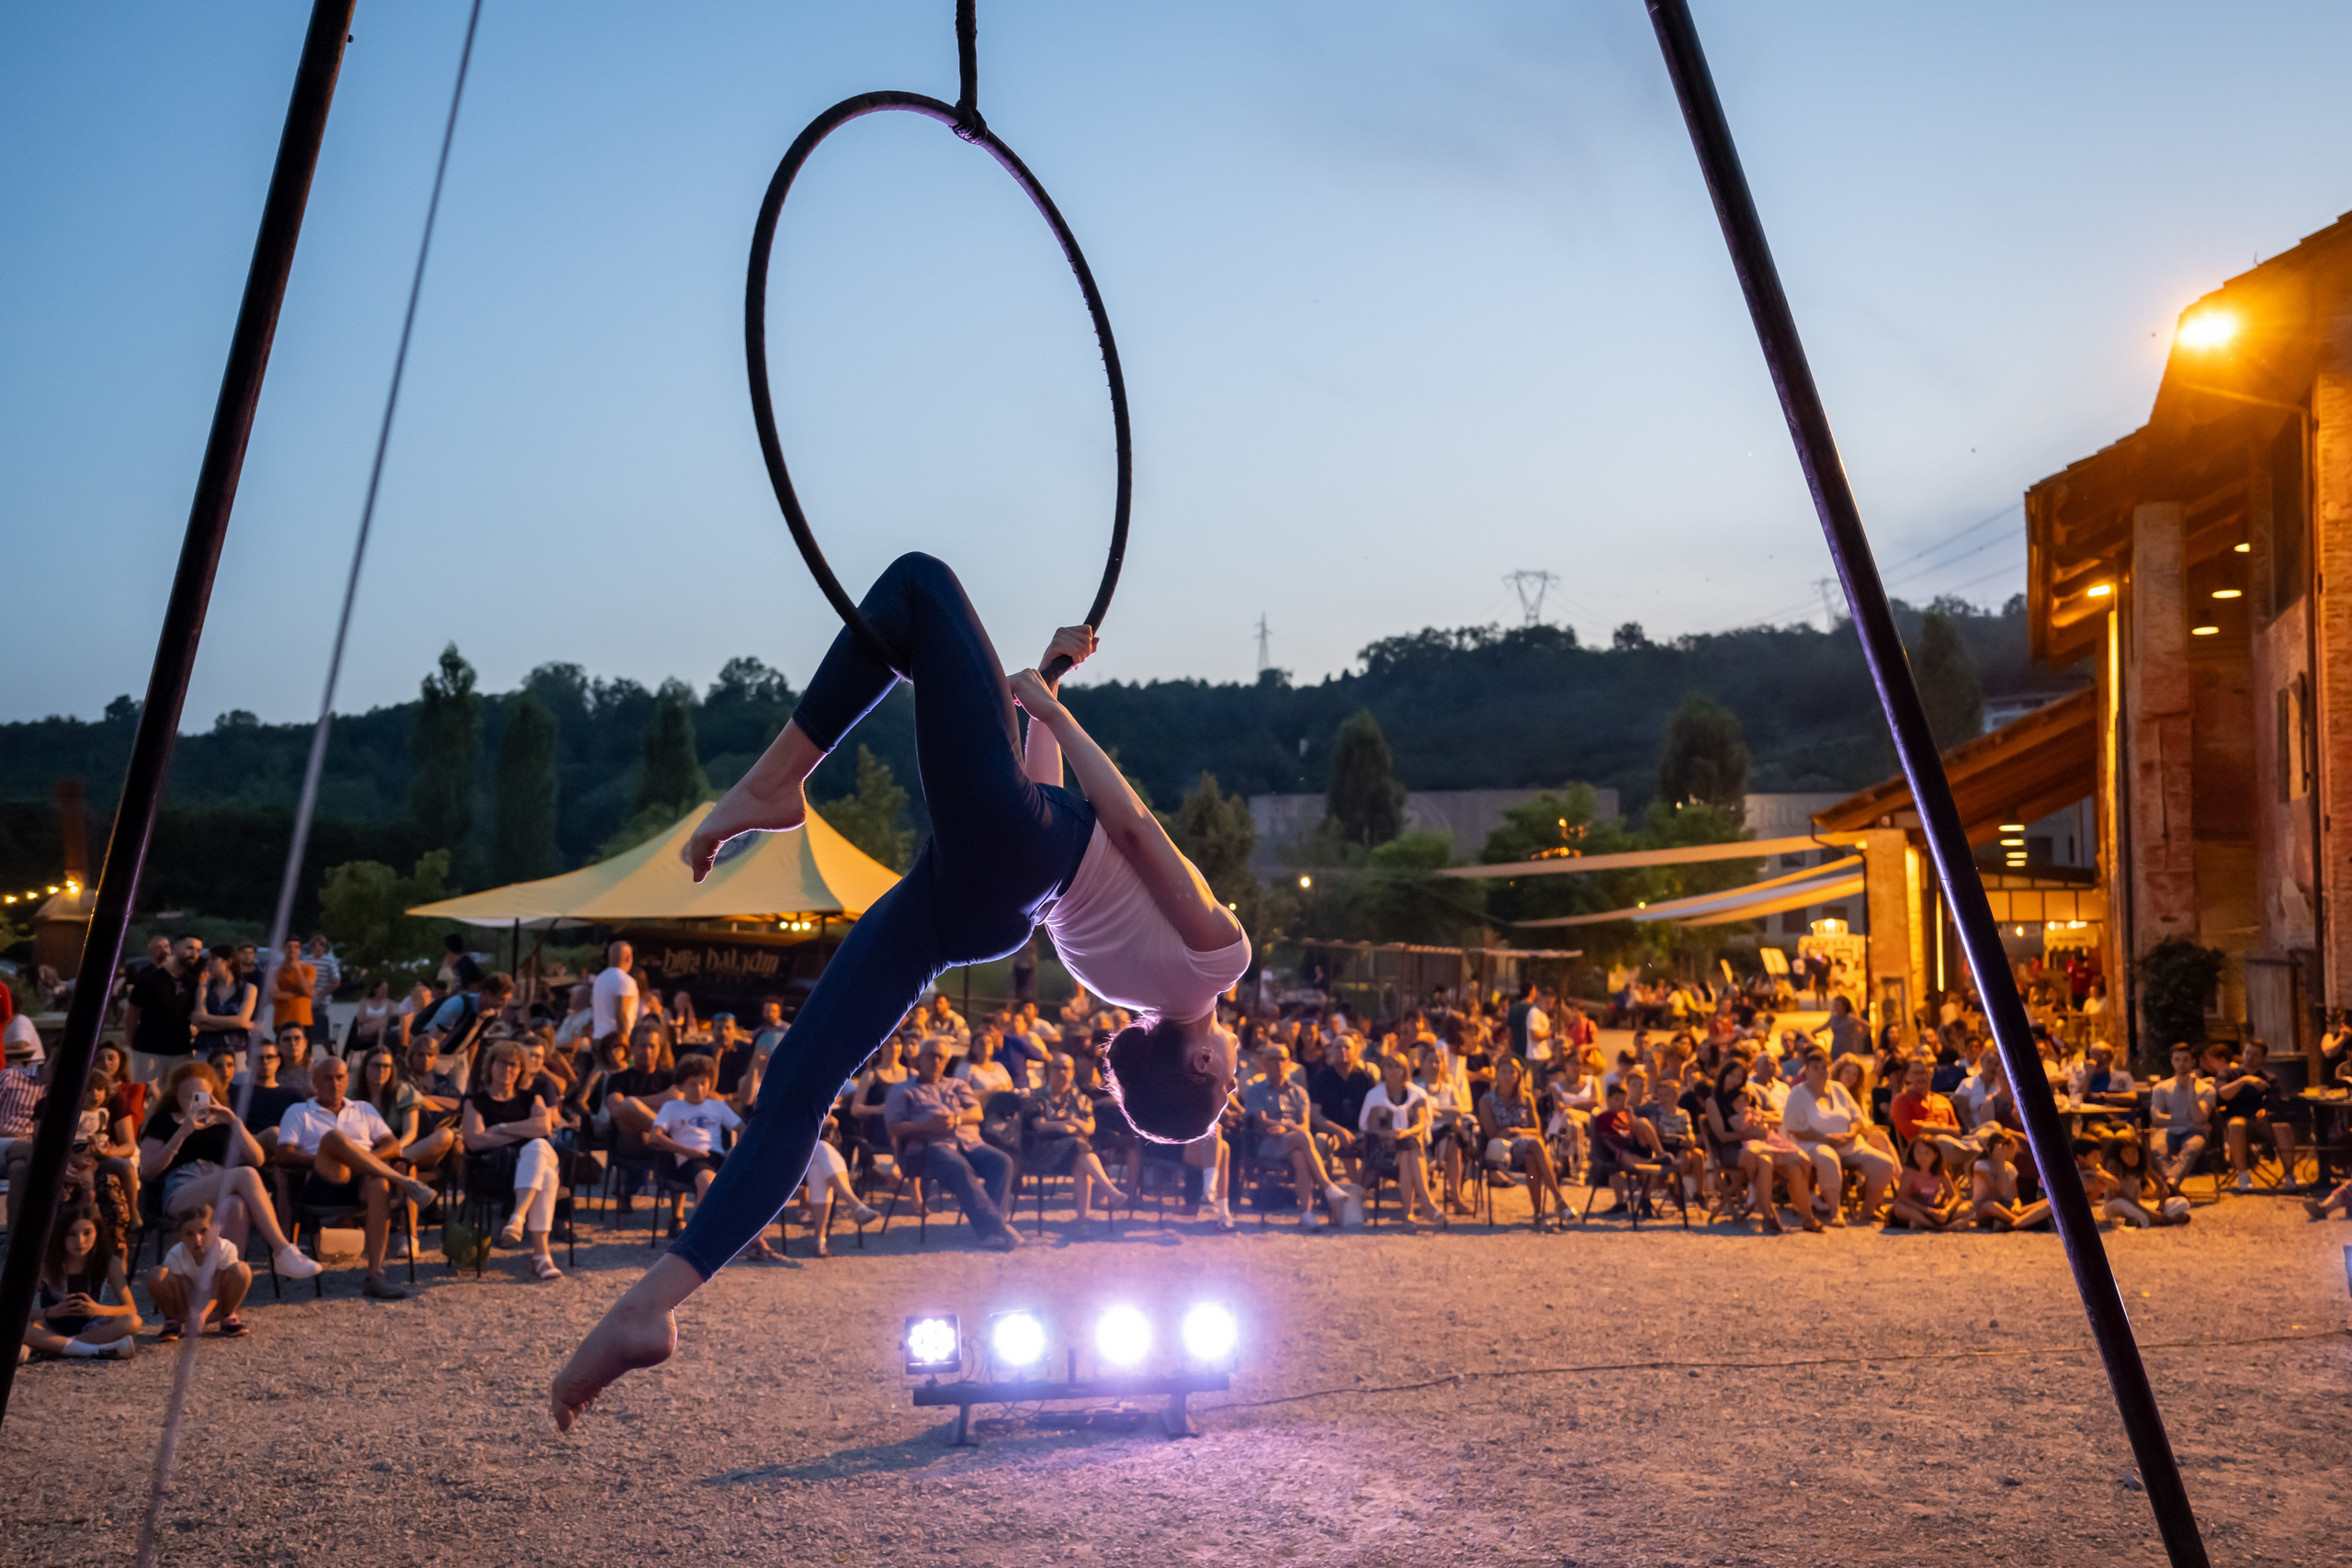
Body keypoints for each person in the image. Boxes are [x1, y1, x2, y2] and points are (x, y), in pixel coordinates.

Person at [554, 563, 1250, 1427]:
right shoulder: (1117, 987)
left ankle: (775, 784)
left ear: (1197, 1064)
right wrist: (1045, 690)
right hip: (986, 903)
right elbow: (1044, 812)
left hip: (1013, 857)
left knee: (921, 585)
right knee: (797, 1088)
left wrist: (1057, 711)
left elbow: (1134, 829)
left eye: (1226, 1084)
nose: (1238, 1072)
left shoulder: (1218, 959)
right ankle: (651, 1302)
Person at [137, 1061, 320, 1280]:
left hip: (220, 1181)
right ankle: (283, 1250)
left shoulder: (222, 1120)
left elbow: (258, 1158)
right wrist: (182, 1133)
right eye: (188, 1096)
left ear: (212, 1094)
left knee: (237, 1204)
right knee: (245, 1174)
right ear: (175, 1096)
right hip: (182, 1187)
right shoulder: (164, 1121)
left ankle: (225, 1283)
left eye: (202, 1095)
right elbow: (147, 1171)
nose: (196, 1102)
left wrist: (233, 1120)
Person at [276, 1055, 435, 1300]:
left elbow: (392, 1145)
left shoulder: (363, 1108)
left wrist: (361, 1160)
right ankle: (404, 1182)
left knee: (379, 1183)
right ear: (315, 1080)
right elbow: (284, 1154)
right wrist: (330, 1157)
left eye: (340, 1077)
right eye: (327, 1077)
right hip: (323, 1179)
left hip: (363, 1178)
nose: (334, 1083)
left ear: (347, 1079)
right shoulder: (299, 1111)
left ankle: (374, 1275)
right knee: (334, 1139)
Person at [883, 1036, 1020, 1247]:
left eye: (941, 1057)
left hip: (968, 1142)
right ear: (919, 1059)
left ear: (947, 1061)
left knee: (1002, 1162)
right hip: (928, 1148)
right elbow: (893, 1127)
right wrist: (927, 1126)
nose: (936, 1061)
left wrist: (955, 1119)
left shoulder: (957, 1085)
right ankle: (995, 1228)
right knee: (959, 1167)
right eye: (931, 1056)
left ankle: (990, 1227)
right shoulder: (902, 1089)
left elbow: (977, 1113)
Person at [459, 1041, 565, 1280]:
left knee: (538, 1145)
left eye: (514, 1065)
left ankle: (517, 1218)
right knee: (545, 1169)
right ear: (491, 1064)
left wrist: (501, 1128)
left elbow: (543, 1126)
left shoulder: (531, 1098)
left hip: (527, 1167)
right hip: (498, 1173)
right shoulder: (475, 1101)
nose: (508, 1069)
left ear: (521, 1070)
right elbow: (475, 1141)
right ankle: (541, 1255)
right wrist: (524, 1130)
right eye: (503, 1062)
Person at [1241, 1040, 1351, 1228]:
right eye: (1273, 1059)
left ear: (1289, 1062)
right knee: (1304, 1139)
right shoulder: (1256, 1090)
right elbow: (1262, 1122)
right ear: (1264, 1062)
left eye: (1282, 1059)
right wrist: (1288, 1126)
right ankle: (1327, 1186)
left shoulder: (1299, 1092)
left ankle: (1306, 1214)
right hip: (1268, 1143)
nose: (1278, 1063)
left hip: (1295, 1141)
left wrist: (1286, 1127)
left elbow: (1305, 1125)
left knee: (1300, 1155)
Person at [1782, 1048, 1896, 1224]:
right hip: (1812, 1143)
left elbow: (1857, 1117)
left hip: (1848, 1143)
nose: (1821, 1072)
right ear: (1807, 1070)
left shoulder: (1838, 1089)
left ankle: (1868, 1210)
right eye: (1816, 1068)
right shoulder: (1798, 1093)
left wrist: (1850, 1133)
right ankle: (1836, 1211)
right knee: (1828, 1157)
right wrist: (1825, 1139)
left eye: (1824, 1067)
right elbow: (1794, 1128)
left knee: (1883, 1163)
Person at [1025, 1050, 1136, 1224]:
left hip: (1074, 1153)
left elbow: (1090, 1128)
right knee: (1080, 1147)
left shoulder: (1081, 1099)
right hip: (1046, 1152)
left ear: (1072, 1072)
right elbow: (1039, 1125)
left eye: (1066, 1068)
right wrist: (1064, 1127)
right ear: (1049, 1071)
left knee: (1081, 1159)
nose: (1061, 1072)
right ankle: (1110, 1191)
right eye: (1056, 1068)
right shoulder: (1037, 1096)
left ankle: (1081, 1223)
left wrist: (1073, 1121)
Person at [24, 1206, 141, 1359]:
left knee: (133, 1322)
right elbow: (13, 1311)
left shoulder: (110, 1262)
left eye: (87, 1233)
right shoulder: (47, 1263)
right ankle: (90, 1350)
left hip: (90, 1329)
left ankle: (53, 1348)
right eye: (71, 1234)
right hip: (50, 1327)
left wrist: (97, 1309)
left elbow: (130, 1309)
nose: (80, 1241)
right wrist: (52, 1311)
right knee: (14, 1325)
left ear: (97, 1233)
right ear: (61, 1237)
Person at [648, 1055, 743, 1238]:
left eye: (703, 1083)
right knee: (707, 1182)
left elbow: (743, 1129)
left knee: (748, 1179)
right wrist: (685, 1150)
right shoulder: (672, 1107)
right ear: (682, 1085)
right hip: (689, 1158)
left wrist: (735, 1150)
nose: (699, 1089)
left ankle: (750, 1237)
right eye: (693, 1084)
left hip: (716, 1154)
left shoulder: (717, 1106)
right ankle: (698, 1235)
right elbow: (655, 1135)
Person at [1477, 1055, 1566, 1230]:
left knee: (1532, 1157)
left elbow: (1537, 1131)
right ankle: (1558, 1198)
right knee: (1536, 1145)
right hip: (1501, 1150)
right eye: (1503, 1071)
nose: (1508, 1076)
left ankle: (1538, 1215)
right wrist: (1511, 1133)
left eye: (1512, 1072)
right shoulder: (1487, 1100)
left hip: (1528, 1148)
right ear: (1496, 1074)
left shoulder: (1526, 1099)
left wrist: (1516, 1131)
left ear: (1519, 1075)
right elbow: (1493, 1134)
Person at [147, 1201, 252, 1339]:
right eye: (189, 1234)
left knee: (242, 1270)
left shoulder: (225, 1248)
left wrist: (203, 1314)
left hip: (216, 1304)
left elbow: (215, 1290)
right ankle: (172, 1321)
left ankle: (228, 1315)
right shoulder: (176, 1254)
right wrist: (194, 1313)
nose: (197, 1240)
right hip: (187, 1306)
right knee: (157, 1274)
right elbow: (187, 1290)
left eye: (203, 1231)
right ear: (180, 1236)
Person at [1358, 1051, 1441, 1224]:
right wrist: (1389, 1134)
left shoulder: (1417, 1094)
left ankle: (1408, 1214)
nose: (1393, 1070)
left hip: (1413, 1146)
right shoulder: (1374, 1095)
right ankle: (1426, 1203)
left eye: (1397, 1066)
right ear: (1383, 1069)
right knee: (1407, 1150)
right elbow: (1371, 1129)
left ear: (1404, 1069)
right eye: (1389, 1066)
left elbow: (1420, 1123)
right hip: (1383, 1149)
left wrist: (1405, 1132)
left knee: (1407, 1149)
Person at [2212, 1038, 2296, 1191]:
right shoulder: (2228, 1073)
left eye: (2255, 1054)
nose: (2249, 1057)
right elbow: (2223, 1094)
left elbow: (2276, 1104)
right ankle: (2243, 1176)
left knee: (2282, 1126)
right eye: (2247, 1052)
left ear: (2263, 1058)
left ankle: (2290, 1177)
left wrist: (2268, 1110)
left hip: (2261, 1123)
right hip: (2236, 1124)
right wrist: (2244, 1080)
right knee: (2236, 1124)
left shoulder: (2269, 1078)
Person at [125, 933, 203, 1074]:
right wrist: (136, 1048)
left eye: (198, 950)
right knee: (145, 1094)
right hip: (149, 1052)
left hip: (181, 1052)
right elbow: (130, 1016)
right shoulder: (148, 980)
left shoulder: (192, 983)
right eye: (190, 948)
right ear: (175, 948)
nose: (194, 954)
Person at [2149, 1044, 2214, 1186]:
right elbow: (2156, 1118)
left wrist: (2192, 1090)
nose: (2181, 1063)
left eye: (2185, 1060)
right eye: (2177, 1059)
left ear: (2193, 1062)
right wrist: (2188, 1122)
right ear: (2172, 1061)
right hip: (2167, 1131)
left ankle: (2168, 1184)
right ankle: (2171, 1183)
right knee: (2157, 1149)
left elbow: (2200, 1118)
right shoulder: (2161, 1088)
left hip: (2194, 1133)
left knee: (2190, 1148)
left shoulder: (2206, 1089)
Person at [190, 944, 258, 1066]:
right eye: (208, 959)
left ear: (229, 961)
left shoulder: (248, 989)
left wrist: (206, 1018)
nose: (209, 963)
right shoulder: (204, 989)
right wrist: (238, 1023)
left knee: (236, 1083)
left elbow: (241, 1020)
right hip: (206, 1052)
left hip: (236, 1054)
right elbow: (200, 1025)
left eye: (214, 958)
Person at [1971, 1131, 2051, 1230]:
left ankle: (2017, 1223)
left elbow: (2015, 1196)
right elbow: (2002, 1191)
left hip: (2008, 1209)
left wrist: (2017, 1205)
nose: (2016, 1151)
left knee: (2050, 1202)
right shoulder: (1981, 1165)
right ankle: (2023, 1221)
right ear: (2003, 1148)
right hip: (1989, 1211)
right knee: (1990, 1205)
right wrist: (2000, 1164)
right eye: (2012, 1148)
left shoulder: (2010, 1168)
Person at [1885, 1136, 1962, 1231]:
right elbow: (1902, 1197)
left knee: (1965, 1209)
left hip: (1933, 1208)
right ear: (1912, 1153)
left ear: (1935, 1155)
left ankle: (1924, 1223)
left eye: (1927, 1153)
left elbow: (1954, 1196)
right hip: (1914, 1208)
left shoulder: (1940, 1171)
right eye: (1918, 1152)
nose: (1922, 1156)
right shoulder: (1909, 1171)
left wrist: (1946, 1211)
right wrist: (1928, 1211)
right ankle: (1937, 1227)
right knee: (1899, 1208)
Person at [271, 937, 315, 1041]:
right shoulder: (275, 972)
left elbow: (306, 991)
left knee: (305, 1054)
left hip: (303, 1018)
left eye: (296, 947)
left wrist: (298, 970)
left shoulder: (308, 969)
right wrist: (298, 994)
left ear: (300, 950)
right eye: (289, 946)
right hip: (282, 1019)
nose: (292, 949)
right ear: (283, 949)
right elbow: (275, 994)